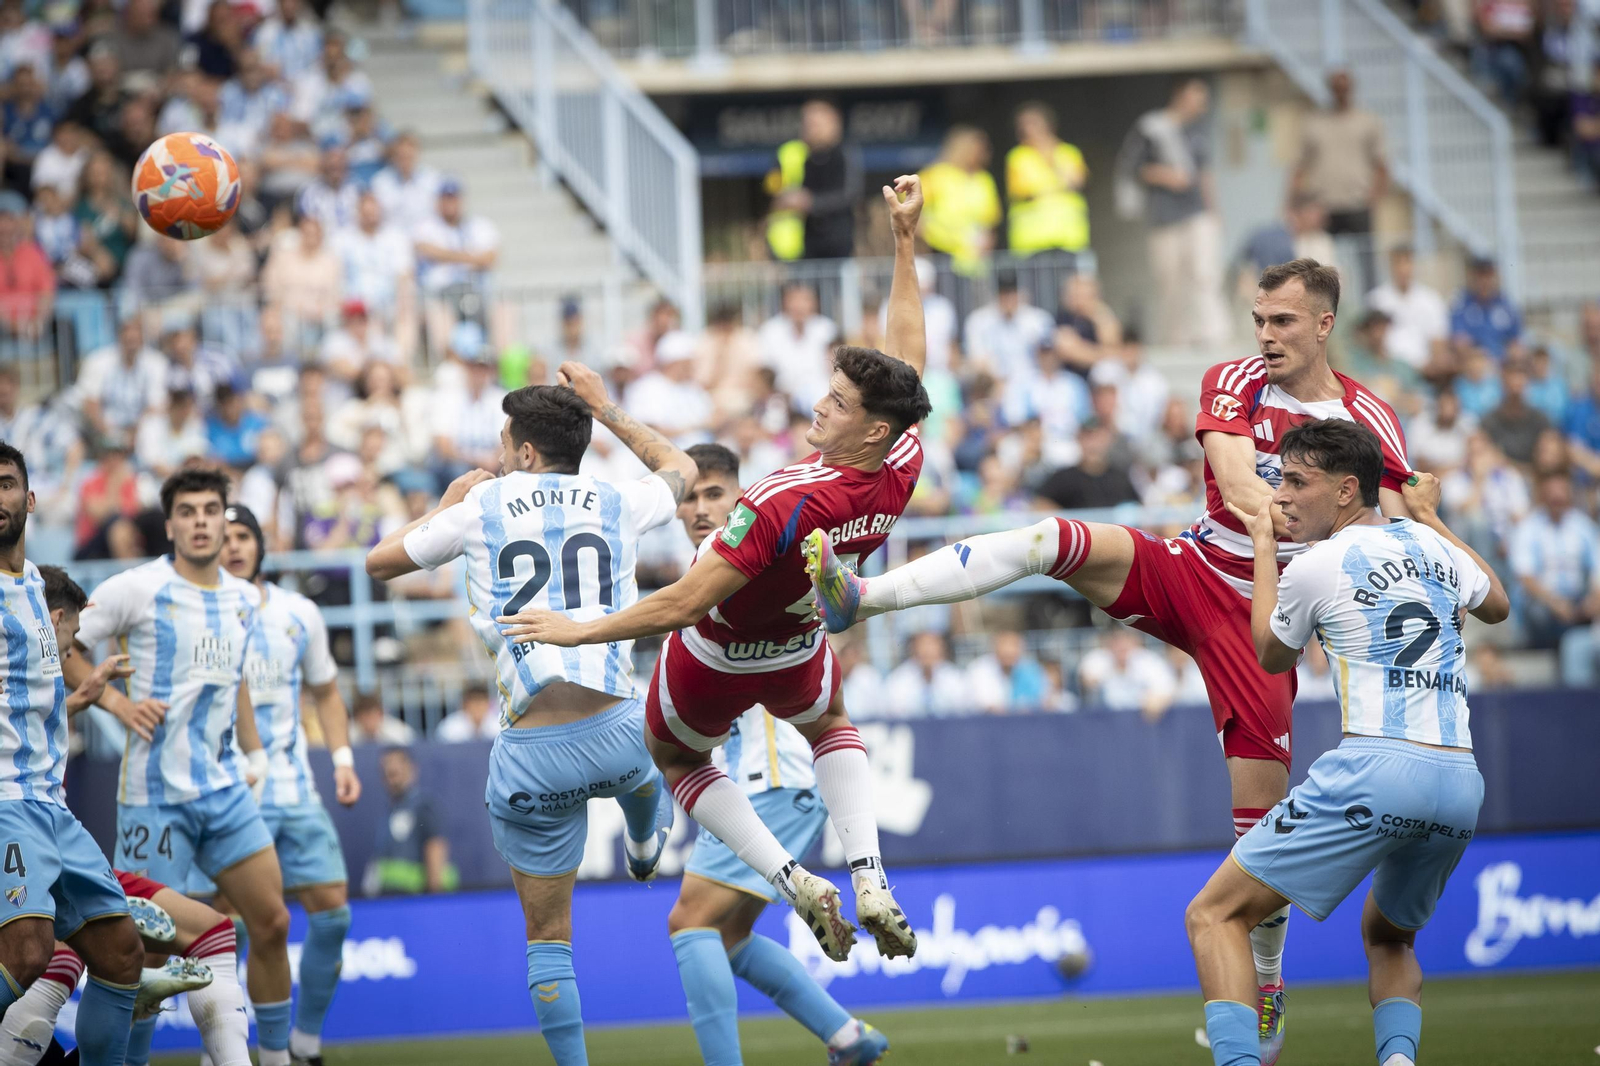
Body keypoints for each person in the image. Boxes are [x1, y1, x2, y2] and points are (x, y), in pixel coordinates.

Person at [806, 258, 1415, 1056]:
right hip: (1198, 569)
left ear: (1324, 325)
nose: (1265, 335)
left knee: (1258, 832)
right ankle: (863, 596)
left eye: (1284, 322)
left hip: (1269, 617)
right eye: (1260, 318)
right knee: (1047, 540)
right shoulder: (1233, 378)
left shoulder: (1372, 414)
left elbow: (1399, 528)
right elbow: (1234, 483)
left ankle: (1266, 990)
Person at [497, 176, 934, 966]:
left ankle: (795, 879)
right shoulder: (898, 460)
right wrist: (905, 243)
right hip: (801, 644)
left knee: (679, 760)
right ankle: (868, 874)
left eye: (835, 404)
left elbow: (687, 601)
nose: (818, 406)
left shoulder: (775, 500)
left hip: (716, 652)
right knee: (832, 725)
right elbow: (908, 358)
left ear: (868, 429)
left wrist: (579, 629)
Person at [365, 362, 697, 1065]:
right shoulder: (616, 497)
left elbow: (380, 564)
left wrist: (448, 499)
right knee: (642, 769)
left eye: (502, 438)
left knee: (549, 939)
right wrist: (606, 408)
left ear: (522, 451)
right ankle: (644, 831)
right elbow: (683, 467)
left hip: (530, 752)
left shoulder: (478, 508)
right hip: (618, 731)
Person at [1186, 420, 1508, 1066]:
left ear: (1346, 490)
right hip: (1459, 784)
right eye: (1280, 483)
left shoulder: (1318, 564)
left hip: (1377, 767)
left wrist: (1259, 546)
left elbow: (1271, 656)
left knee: (1214, 915)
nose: (1281, 498)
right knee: (1389, 938)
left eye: (1298, 483)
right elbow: (1497, 603)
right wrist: (1431, 521)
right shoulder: (1432, 546)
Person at [662, 443, 889, 1066]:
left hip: (773, 772)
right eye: (691, 496)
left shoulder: (756, 552)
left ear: (742, 497)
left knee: (691, 923)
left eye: (716, 495)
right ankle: (848, 1037)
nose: (702, 508)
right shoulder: (712, 564)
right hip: (788, 777)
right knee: (729, 936)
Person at [64, 468, 296, 1066]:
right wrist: (113, 701)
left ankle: (277, 1058)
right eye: (187, 511)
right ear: (169, 525)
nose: (200, 521)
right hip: (154, 796)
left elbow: (235, 680)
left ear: (226, 519)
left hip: (223, 790)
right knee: (145, 953)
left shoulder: (245, 599)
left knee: (269, 922)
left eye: (210, 510)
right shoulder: (136, 589)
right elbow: (58, 641)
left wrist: (256, 754)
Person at [1, 565, 248, 1066]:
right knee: (40, 958)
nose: (67, 657)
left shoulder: (34, 693)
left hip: (52, 829)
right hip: (25, 826)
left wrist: (88, 699)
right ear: (52, 622)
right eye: (67, 647)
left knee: (123, 952)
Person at [0, 446, 146, 1066]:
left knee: (121, 952)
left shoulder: (36, 586)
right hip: (7, 798)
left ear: (29, 501)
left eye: (5, 484)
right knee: (30, 952)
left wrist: (85, 698)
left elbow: (27, 697)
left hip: (51, 805)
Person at [218, 505, 360, 1066]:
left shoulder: (300, 613)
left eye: (243, 536)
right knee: (233, 924)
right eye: (224, 537)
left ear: (260, 544)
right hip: (230, 792)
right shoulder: (201, 611)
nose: (233, 546)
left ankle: (305, 1042)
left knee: (334, 910)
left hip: (295, 787)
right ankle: (227, 1046)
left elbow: (325, 690)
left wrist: (342, 757)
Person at [1118, 77, 1229, 348]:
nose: (1202, 105)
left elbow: (1204, 174)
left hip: (1197, 213)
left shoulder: (1198, 132)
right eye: (1197, 97)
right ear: (1180, 96)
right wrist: (1168, 176)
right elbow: (1135, 167)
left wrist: (1213, 211)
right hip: (1165, 218)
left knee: (1204, 273)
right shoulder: (1152, 128)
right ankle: (1176, 340)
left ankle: (1212, 334)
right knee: (1171, 281)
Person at [1291, 69, 1389, 287]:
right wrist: (1294, 206)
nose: (1340, 93)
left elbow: (1382, 165)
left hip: (1357, 203)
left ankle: (1371, 307)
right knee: (1319, 264)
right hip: (1323, 207)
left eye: (1344, 88)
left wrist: (1375, 197)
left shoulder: (1367, 121)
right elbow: (1298, 167)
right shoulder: (1315, 123)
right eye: (1336, 88)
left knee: (1367, 264)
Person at [765, 100, 861, 261]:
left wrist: (812, 202)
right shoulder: (798, 155)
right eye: (807, 123)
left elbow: (850, 193)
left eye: (816, 124)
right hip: (804, 247)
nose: (811, 129)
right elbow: (774, 190)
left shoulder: (845, 154)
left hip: (838, 247)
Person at [1005, 102, 1090, 269]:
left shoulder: (1068, 152)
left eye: (1033, 124)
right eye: (1024, 126)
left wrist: (1051, 159)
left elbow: (1079, 181)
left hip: (1069, 237)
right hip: (1032, 241)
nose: (1028, 130)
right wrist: (1059, 184)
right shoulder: (1018, 157)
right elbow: (1021, 191)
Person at [363, 746, 454, 896]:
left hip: (414, 902)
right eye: (388, 775)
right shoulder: (390, 811)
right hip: (391, 902)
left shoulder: (424, 806)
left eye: (396, 773)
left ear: (412, 770)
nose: (392, 780)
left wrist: (433, 900)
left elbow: (435, 848)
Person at [918, 125, 1000, 275]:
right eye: (979, 150)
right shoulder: (937, 175)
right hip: (942, 253)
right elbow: (911, 208)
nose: (985, 154)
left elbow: (990, 220)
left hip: (976, 258)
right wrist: (927, 237)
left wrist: (987, 243)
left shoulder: (984, 179)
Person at [1365, 244, 1448, 372]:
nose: (1403, 269)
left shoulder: (1431, 299)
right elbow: (1372, 343)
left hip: (1425, 370)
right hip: (1388, 370)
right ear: (1390, 266)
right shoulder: (1376, 300)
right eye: (1398, 263)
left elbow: (1438, 342)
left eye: (1407, 262)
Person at [1449, 258, 1521, 360]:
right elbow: (1460, 341)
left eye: (1488, 276)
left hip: (1503, 363)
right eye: (1480, 277)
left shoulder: (1505, 305)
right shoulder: (1461, 305)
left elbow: (1516, 339)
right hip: (1473, 363)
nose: (1484, 282)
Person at [434, 682, 502, 743]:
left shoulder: (499, 726)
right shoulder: (450, 727)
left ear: (488, 704)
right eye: (474, 703)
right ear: (465, 705)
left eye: (481, 703)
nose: (478, 707)